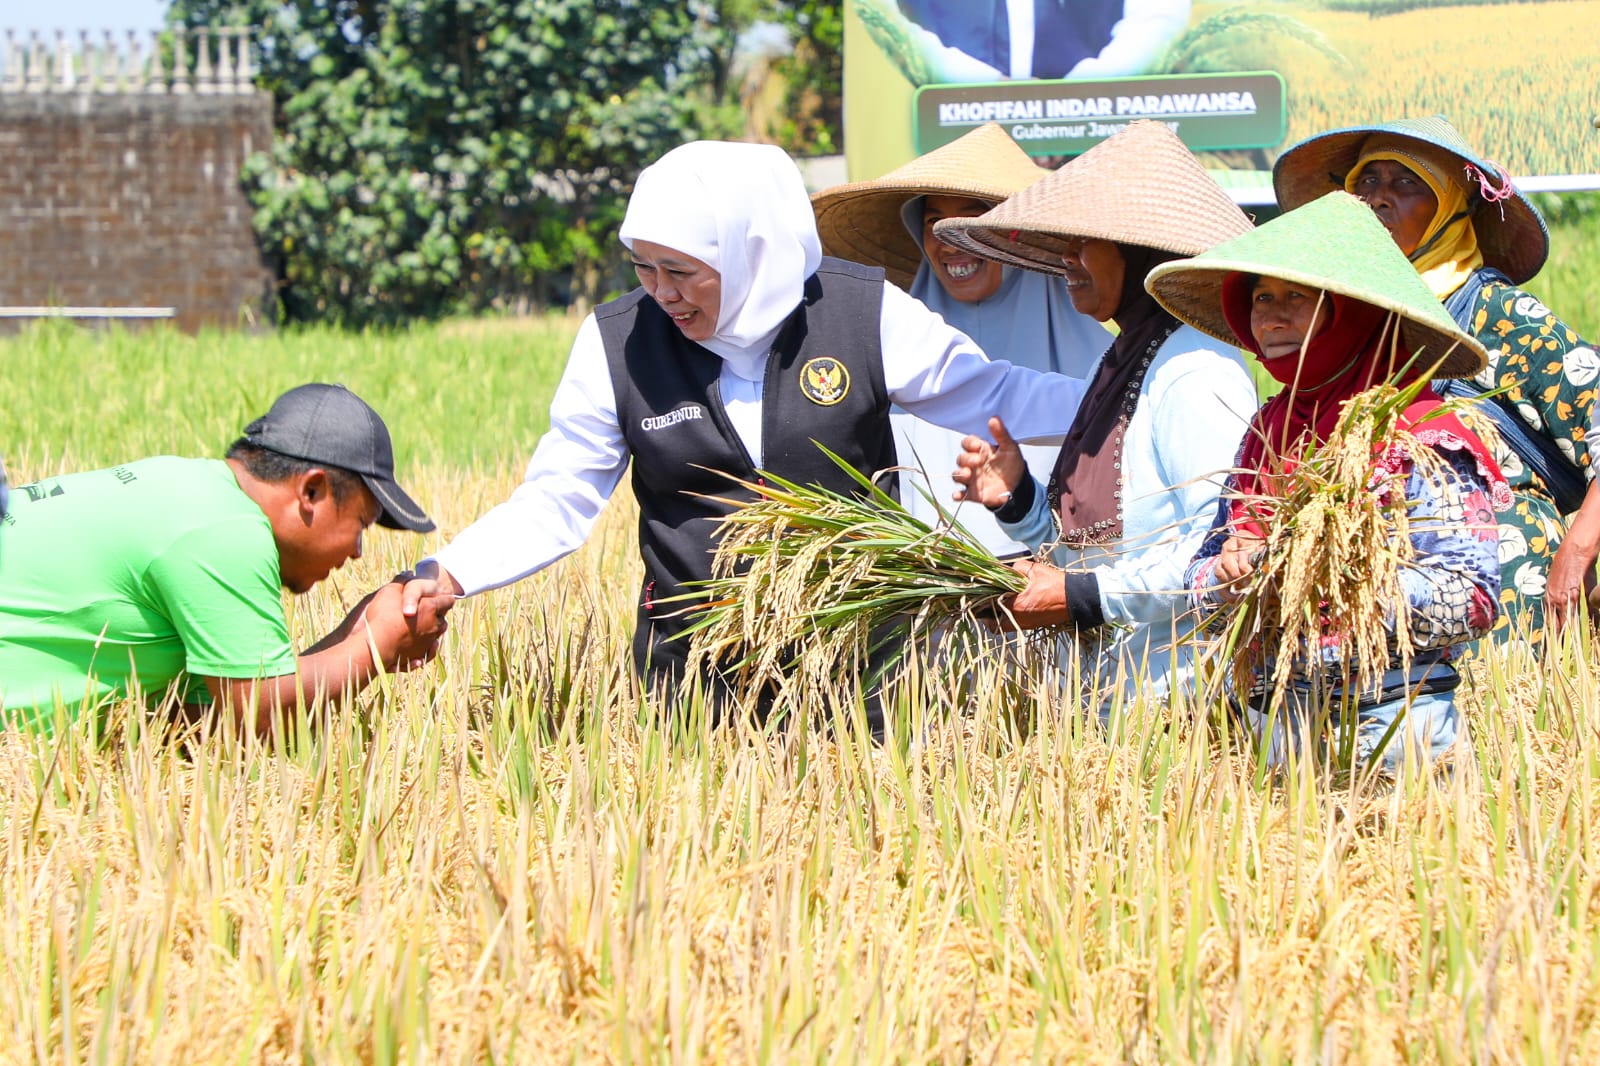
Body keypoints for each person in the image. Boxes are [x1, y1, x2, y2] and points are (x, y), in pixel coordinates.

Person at [397, 140, 1091, 727]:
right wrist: (452, 572)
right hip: (693, 675)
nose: (661, 292)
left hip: (859, 666)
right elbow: (558, 499)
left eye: (682, 272)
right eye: (644, 267)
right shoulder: (617, 343)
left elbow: (992, 394)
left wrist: (1122, 398)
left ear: (751, 254)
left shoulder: (860, 311)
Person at [1143, 191, 1505, 770]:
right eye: (1262, 297)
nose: (1272, 316)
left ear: (1352, 311)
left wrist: (1330, 575)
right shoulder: (1267, 430)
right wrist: (1229, 577)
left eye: (1297, 298)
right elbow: (1201, 571)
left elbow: (1475, 599)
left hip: (1393, 728)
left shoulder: (1421, 433)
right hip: (1276, 727)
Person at [937, 120, 1258, 710]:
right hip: (1106, 700)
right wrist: (1017, 499)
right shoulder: (1115, 363)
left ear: (1141, 249)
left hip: (1180, 699)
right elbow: (1086, 546)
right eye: (1065, 244)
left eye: (1084, 242)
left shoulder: (1195, 372)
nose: (1066, 261)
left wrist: (1080, 595)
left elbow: (1218, 550)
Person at [1273, 114, 1598, 644]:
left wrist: (1579, 550)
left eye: (1406, 183)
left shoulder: (1497, 311)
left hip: (1509, 603)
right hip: (1390, 616)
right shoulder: (1351, 322)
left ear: (1449, 208)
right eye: (1366, 183)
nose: (1379, 199)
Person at [0, 383, 451, 735]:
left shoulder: (194, 492)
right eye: (361, 525)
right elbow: (257, 715)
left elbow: (199, 720)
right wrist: (376, 647)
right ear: (311, 491)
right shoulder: (223, 530)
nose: (356, 551)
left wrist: (355, 633)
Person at [811, 121, 1108, 558]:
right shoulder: (889, 354)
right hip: (926, 609)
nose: (949, 241)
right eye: (934, 222)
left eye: (971, 220)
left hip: (1065, 604)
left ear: (1020, 236)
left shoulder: (1111, 369)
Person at [887, 0, 1191, 82]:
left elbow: (1158, 21)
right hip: (952, 129)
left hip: (1093, 140)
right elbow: (888, 26)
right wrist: (991, 91)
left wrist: (1063, 110)